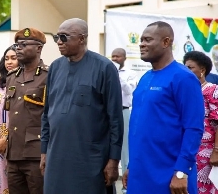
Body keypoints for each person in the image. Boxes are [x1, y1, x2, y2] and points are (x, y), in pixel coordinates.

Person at [40, 18, 124, 194]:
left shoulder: (104, 68)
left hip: (90, 159)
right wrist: (44, 151)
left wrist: (114, 160)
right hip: (56, 157)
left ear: (82, 38)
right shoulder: (55, 67)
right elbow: (47, 112)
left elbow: (115, 118)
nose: (59, 42)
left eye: (64, 37)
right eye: (57, 37)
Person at [122, 21, 205, 194]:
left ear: (166, 42)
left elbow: (194, 128)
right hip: (140, 174)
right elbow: (139, 127)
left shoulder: (183, 78)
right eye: (141, 40)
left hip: (169, 176)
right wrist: (131, 165)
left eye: (147, 40)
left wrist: (181, 171)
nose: (141, 44)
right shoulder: (145, 78)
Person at [6, 28, 48, 194]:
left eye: (23, 45)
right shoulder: (12, 77)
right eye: (17, 45)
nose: (18, 48)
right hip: (13, 152)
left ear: (38, 48)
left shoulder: (48, 75)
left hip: (36, 154)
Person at [183, 51, 218, 194]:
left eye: (190, 67)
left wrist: (216, 151)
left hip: (208, 153)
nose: (186, 71)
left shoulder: (212, 90)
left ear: (202, 70)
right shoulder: (187, 91)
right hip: (189, 151)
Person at [0, 46, 18, 194]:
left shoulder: (21, 83)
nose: (9, 62)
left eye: (13, 58)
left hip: (14, 141)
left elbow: (19, 115)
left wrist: (5, 139)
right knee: (0, 184)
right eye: (7, 58)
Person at [111, 48, 137, 194]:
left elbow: (128, 91)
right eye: (113, 56)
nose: (115, 59)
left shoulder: (130, 74)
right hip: (108, 113)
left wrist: (117, 76)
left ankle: (126, 185)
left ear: (124, 58)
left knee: (125, 147)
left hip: (123, 111)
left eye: (118, 56)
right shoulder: (108, 70)